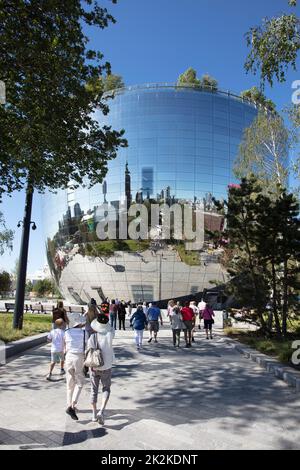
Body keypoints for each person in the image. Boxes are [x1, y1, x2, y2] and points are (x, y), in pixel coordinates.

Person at [88, 313, 115, 424]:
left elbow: (89, 351)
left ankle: (94, 414)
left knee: (94, 390)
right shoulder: (110, 335)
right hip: (107, 365)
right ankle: (102, 410)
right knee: (106, 388)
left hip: (94, 366)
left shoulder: (92, 337)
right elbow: (111, 329)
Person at [64, 314, 86, 420]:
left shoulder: (67, 332)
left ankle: (69, 405)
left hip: (68, 357)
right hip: (79, 357)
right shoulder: (84, 333)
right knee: (80, 382)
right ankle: (73, 405)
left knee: (70, 383)